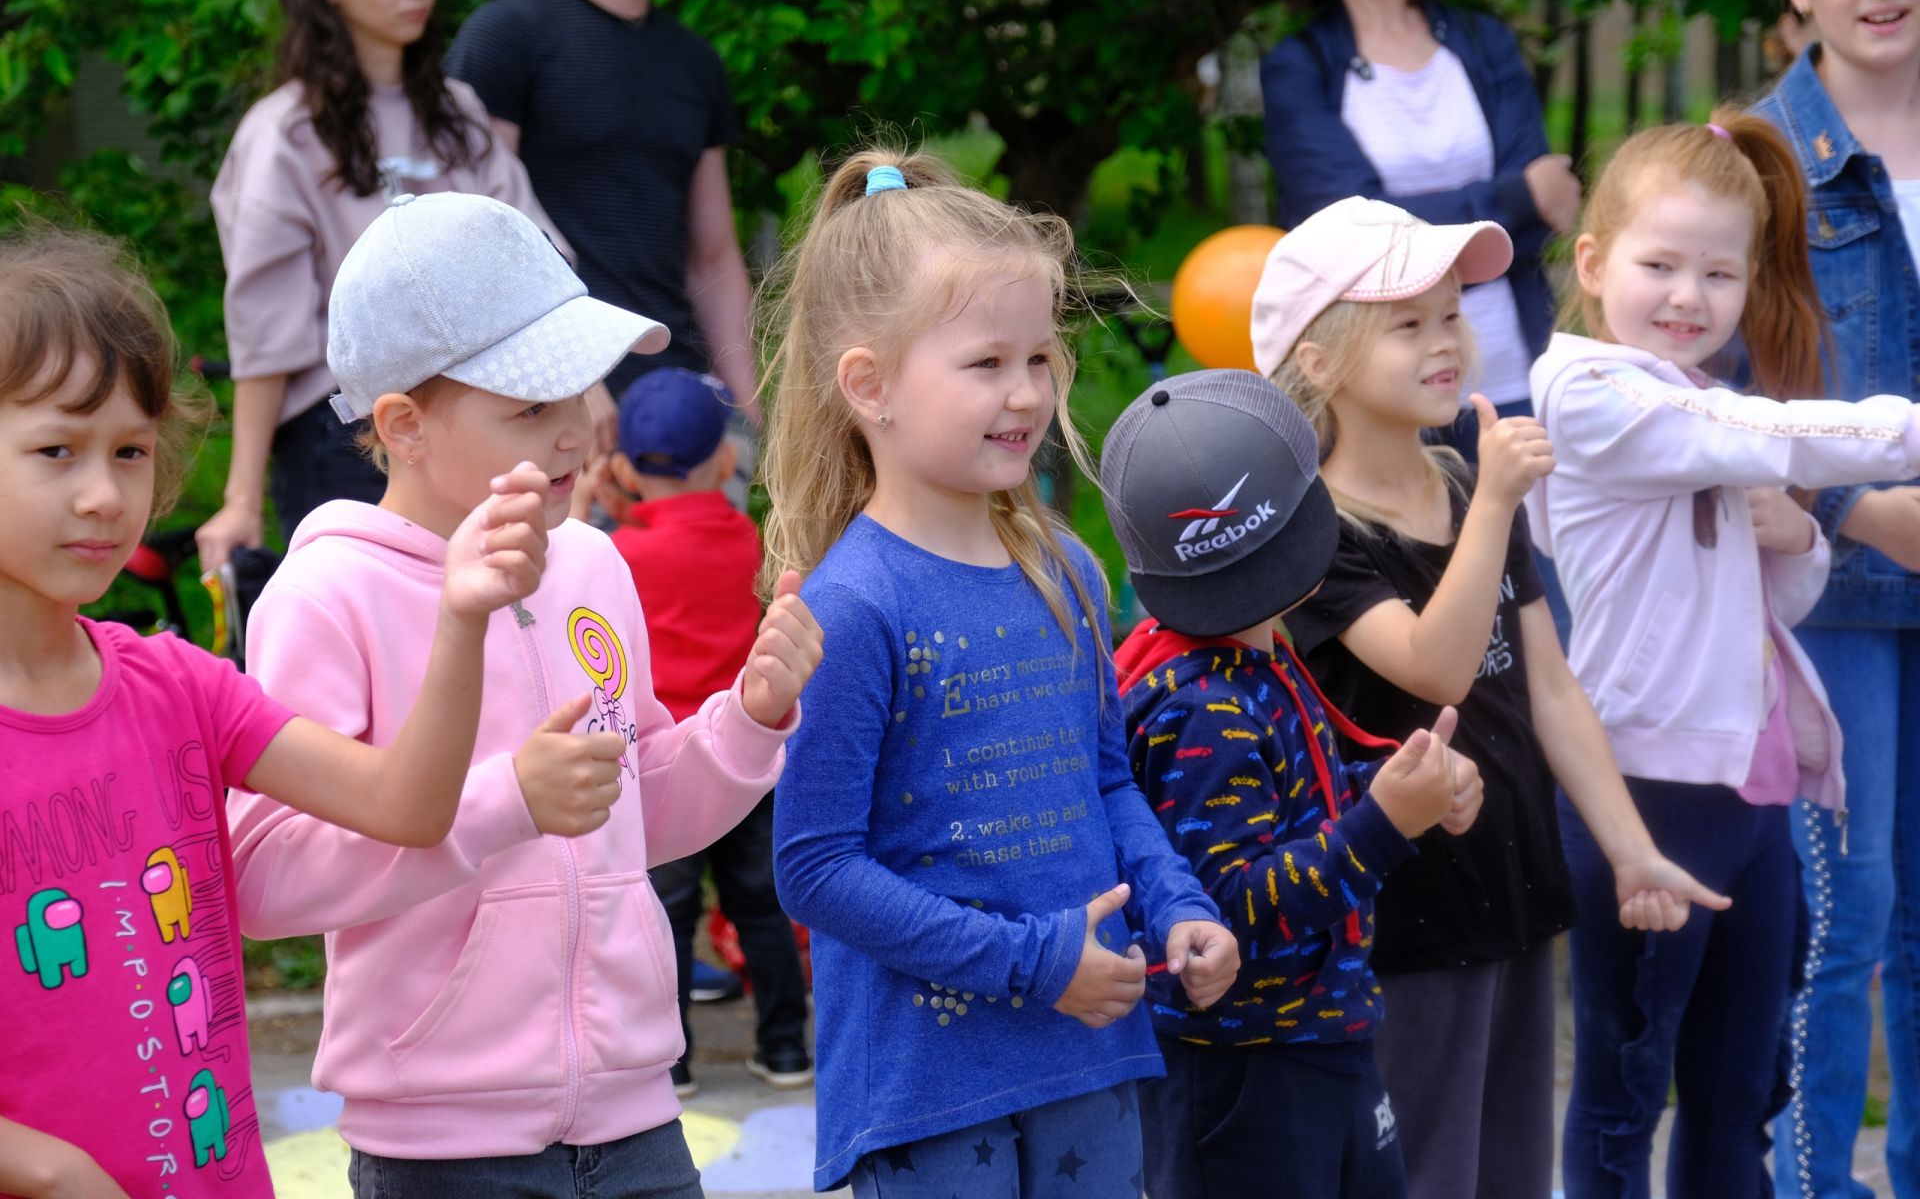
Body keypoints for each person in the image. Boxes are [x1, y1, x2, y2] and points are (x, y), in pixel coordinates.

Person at [225, 193, 823, 1197]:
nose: (580, 433)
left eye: (579, 395)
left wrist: (748, 719)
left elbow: (641, 808)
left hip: (637, 1113)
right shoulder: (329, 592)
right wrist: (506, 801)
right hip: (441, 1142)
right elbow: (265, 876)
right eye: (529, 406)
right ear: (404, 425)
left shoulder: (593, 564)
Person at [0, 227, 552, 1197]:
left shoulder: (181, 685)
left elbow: (407, 807)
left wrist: (461, 617)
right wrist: (45, 1168)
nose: (102, 492)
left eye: (130, 449)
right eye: (56, 450)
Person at [761, 150, 1241, 1196]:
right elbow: (815, 867)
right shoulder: (851, 604)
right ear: (869, 385)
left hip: (1089, 1050)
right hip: (927, 1086)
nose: (1025, 391)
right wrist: (1034, 963)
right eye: (985, 363)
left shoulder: (1065, 565)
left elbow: (1105, 779)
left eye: (1038, 358)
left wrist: (1178, 902)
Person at [1258, 197, 1727, 1199]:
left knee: (1514, 1169)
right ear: (1321, 360)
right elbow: (1437, 664)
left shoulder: (1468, 486)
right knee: (1427, 1169)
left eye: (1451, 314)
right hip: (1405, 924)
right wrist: (1501, 502)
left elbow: (1550, 686)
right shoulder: (1317, 534)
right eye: (1408, 321)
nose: (1445, 341)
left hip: (1516, 894)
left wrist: (1628, 842)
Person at [1529, 111, 1920, 1198]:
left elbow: (1773, 595)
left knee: (1739, 1089)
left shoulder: (1698, 401)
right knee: (1622, 1087)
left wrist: (1793, 533)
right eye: (1660, 265)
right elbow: (1776, 438)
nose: (1687, 298)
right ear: (1597, 263)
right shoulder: (1593, 392)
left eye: (1719, 273)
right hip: (1646, 788)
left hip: (1749, 791)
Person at [1102, 367, 1485, 1199]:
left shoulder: (1248, 659)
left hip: (1318, 1034)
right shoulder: (1205, 704)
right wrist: (1387, 822)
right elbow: (1234, 904)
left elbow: (1295, 796)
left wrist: (1393, 780)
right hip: (1245, 1069)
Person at [198, 0, 562, 570]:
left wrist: (583, 391)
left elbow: (536, 268)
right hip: (345, 436)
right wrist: (241, 495)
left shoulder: (460, 115)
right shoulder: (283, 132)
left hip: (486, 414)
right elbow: (266, 332)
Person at [1752, 0, 1920, 1189]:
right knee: (1845, 917)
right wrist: (1862, 507)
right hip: (1836, 588)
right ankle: (1815, 1178)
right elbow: (1721, 391)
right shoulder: (1760, 160)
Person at [1260, 0, 1580, 435]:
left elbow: (1548, 215)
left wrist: (1407, 217)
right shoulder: (1298, 67)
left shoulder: (1485, 42)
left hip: (1515, 378)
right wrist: (1516, 199)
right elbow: (1344, 238)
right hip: (1382, 402)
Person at [588, 366, 812, 1097]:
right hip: (745, 751)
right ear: (723, 461)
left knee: (667, 913)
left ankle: (674, 1062)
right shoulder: (746, 539)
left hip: (660, 768)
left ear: (622, 465)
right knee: (761, 908)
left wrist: (607, 501)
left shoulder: (620, 553)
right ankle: (784, 1049)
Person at [447, 0, 756, 422]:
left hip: (684, 400)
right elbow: (481, 239)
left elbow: (714, 258)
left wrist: (749, 411)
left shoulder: (695, 63)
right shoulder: (504, 38)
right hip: (550, 404)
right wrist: (577, 381)